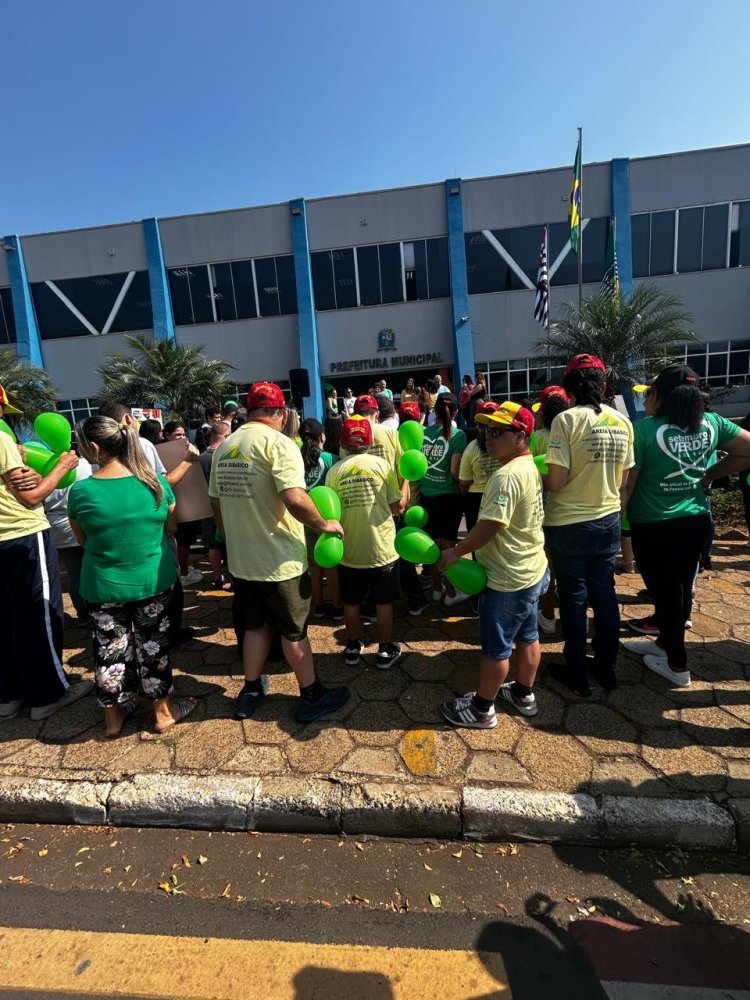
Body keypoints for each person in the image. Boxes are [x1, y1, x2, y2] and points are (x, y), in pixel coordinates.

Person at [209, 381, 349, 723]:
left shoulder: (226, 446)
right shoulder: (280, 444)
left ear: (249, 411)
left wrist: (231, 537)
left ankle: (251, 690)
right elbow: (295, 498)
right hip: (279, 561)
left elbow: (215, 501)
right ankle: (312, 695)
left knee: (256, 627)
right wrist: (323, 524)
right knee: (293, 631)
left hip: (243, 561)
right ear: (282, 413)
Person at [622, 365, 750, 688]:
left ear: (661, 396)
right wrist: (711, 474)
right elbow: (747, 449)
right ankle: (666, 643)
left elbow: (629, 485)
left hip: (653, 526)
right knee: (680, 586)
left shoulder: (644, 430)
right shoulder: (712, 424)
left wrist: (615, 524)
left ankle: (677, 667)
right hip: (695, 521)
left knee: (665, 591)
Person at [68, 416, 197, 737]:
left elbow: (82, 541)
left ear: (95, 447)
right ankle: (163, 713)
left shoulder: (81, 491)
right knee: (153, 647)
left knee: (109, 651)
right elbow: (170, 528)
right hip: (152, 580)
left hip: (101, 585)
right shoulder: (156, 484)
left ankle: (113, 719)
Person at [440, 402, 547, 727]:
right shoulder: (528, 467)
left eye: (498, 431)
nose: (488, 437)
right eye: (486, 430)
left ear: (521, 436)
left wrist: (456, 552)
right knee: (528, 636)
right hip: (531, 570)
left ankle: (482, 708)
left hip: (506, 579)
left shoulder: (506, 477)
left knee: (496, 649)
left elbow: (489, 527)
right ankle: (523, 693)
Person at [543, 354, 634, 697]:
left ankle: (577, 671)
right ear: (604, 384)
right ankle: (606, 667)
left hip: (569, 524)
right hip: (608, 520)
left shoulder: (565, 422)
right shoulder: (622, 422)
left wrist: (541, 473)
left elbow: (556, 481)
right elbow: (624, 481)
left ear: (569, 389)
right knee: (605, 595)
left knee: (575, 598)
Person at [0, 388, 91, 721]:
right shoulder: (1, 439)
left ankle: (9, 695)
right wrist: (62, 466)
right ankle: (48, 694)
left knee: (5, 618)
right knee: (38, 615)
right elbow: (31, 497)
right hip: (21, 535)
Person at [98, 402, 200, 646]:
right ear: (127, 419)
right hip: (153, 529)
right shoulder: (139, 443)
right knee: (165, 584)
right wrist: (187, 460)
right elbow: (164, 486)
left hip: (115, 536)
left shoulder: (97, 454)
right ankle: (167, 634)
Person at [327, 418, 404, 669]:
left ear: (342, 443)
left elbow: (331, 513)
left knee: (352, 601)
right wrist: (407, 483)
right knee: (383, 602)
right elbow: (397, 505)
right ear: (369, 441)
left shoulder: (334, 471)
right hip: (381, 547)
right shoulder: (382, 466)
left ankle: (352, 646)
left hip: (349, 550)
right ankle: (384, 650)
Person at [420, 392, 468, 606]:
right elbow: (455, 471)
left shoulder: (421, 433)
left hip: (426, 495)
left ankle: (437, 588)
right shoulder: (457, 436)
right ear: (456, 412)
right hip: (449, 498)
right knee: (448, 547)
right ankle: (450, 591)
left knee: (432, 545)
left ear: (434, 411)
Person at [530, 386, 570, 635]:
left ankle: (547, 616)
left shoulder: (537, 437)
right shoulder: (572, 433)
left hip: (544, 509)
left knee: (546, 565)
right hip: (571, 508)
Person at [299, 417, 342, 621]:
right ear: (322, 436)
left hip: (304, 518)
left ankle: (318, 605)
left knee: (313, 565)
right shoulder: (332, 459)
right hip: (328, 518)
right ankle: (338, 605)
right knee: (331, 564)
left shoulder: (294, 459)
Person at [43, 454, 94, 621]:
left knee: (73, 571)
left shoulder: (44, 467)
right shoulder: (84, 464)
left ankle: (83, 613)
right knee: (88, 568)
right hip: (80, 520)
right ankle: (91, 611)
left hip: (56, 524)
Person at [458, 401, 502, 535]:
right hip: (500, 495)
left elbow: (464, 482)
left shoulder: (472, 447)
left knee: (477, 543)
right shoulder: (507, 445)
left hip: (477, 498)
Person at [198, 421, 232, 589]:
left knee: (212, 545)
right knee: (229, 544)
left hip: (205, 507)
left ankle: (218, 578)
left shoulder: (200, 457)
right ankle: (233, 577)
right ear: (225, 436)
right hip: (224, 506)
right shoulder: (225, 456)